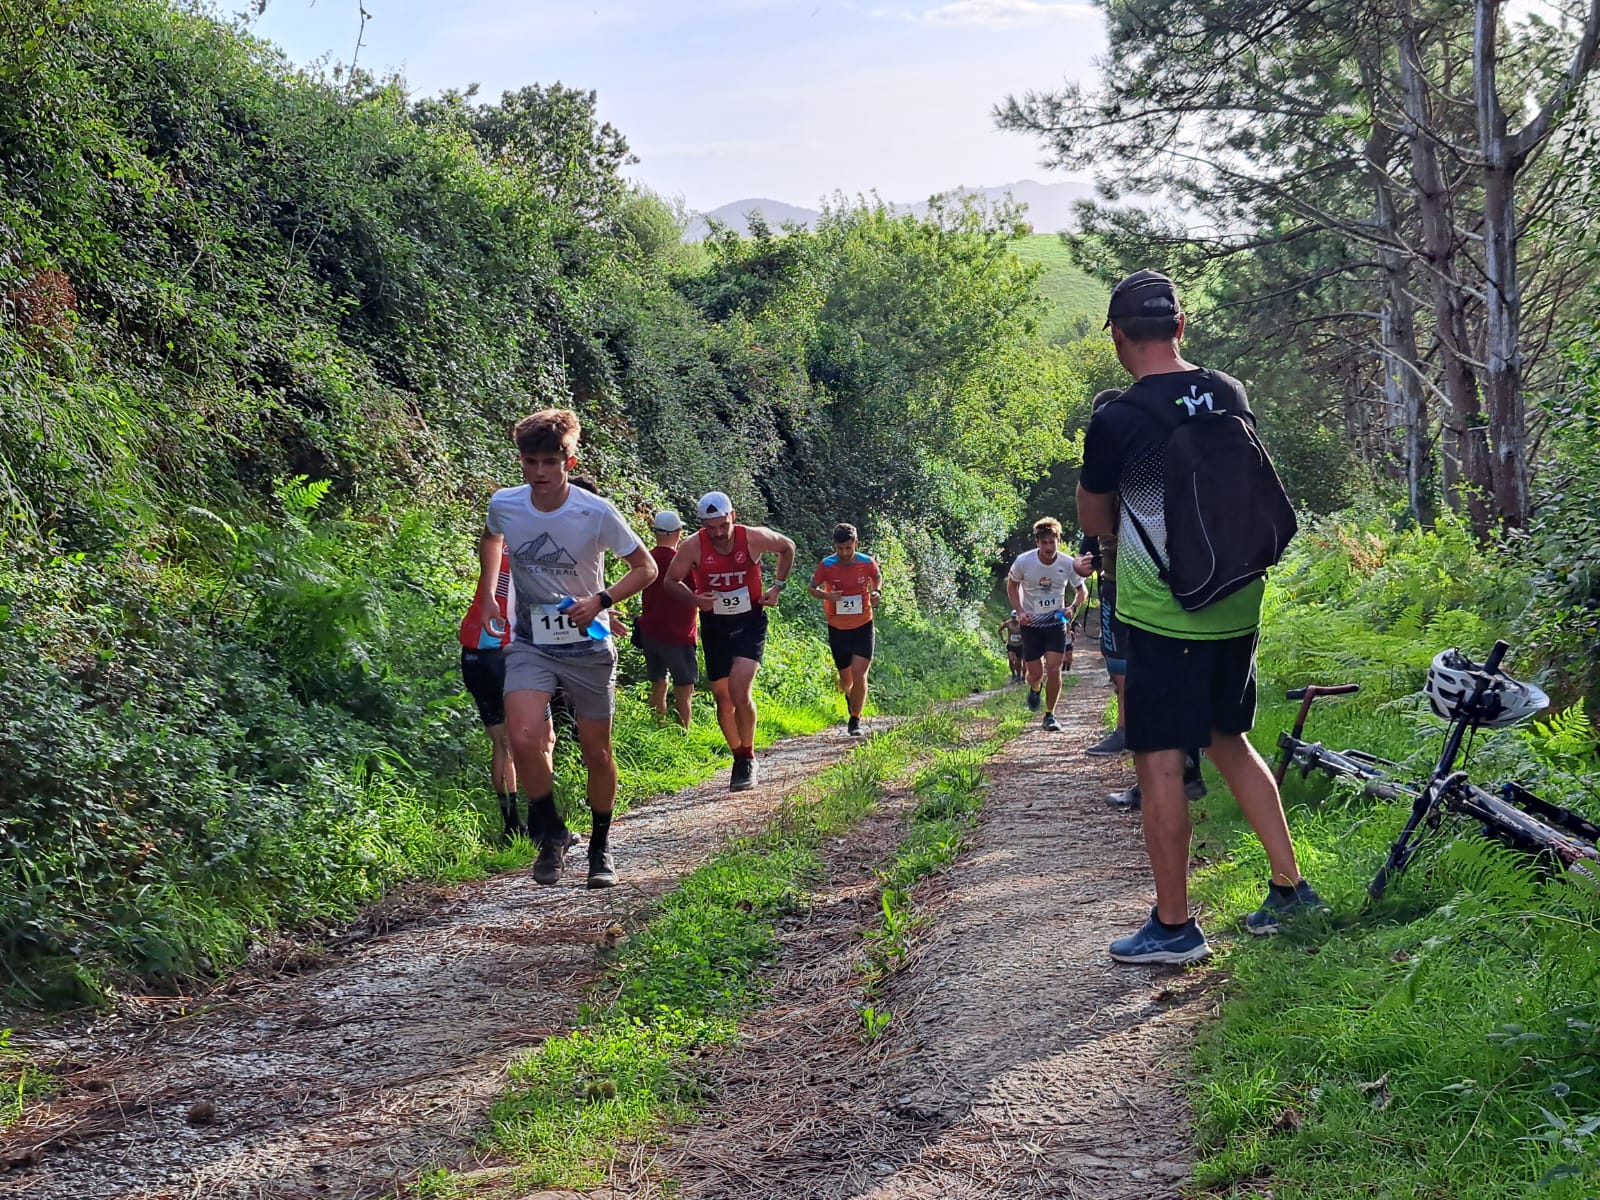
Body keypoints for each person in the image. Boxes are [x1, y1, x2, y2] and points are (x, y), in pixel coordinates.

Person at [1078, 269, 1323, 963]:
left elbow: (1097, 520)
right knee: (1228, 740)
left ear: (1120, 338)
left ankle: (1175, 925)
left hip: (1166, 614)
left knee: (1158, 759)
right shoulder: (1228, 391)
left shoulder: (1118, 418)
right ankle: (1291, 888)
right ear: (1181, 327)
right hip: (1238, 598)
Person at [477, 408, 658, 889]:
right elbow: (491, 539)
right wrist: (487, 596)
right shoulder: (506, 504)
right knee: (521, 738)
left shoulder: (594, 512)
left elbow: (646, 568)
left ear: (569, 463)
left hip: (588, 646)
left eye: (550, 463)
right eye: (530, 461)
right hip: (530, 643)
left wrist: (599, 600)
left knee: (596, 752)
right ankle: (551, 835)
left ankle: (600, 846)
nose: (538, 472)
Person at [664, 491, 796, 791]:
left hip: (750, 622)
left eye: (723, 525)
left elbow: (787, 547)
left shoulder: (753, 538)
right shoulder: (693, 546)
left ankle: (748, 756)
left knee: (739, 689)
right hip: (715, 626)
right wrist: (696, 599)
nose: (719, 533)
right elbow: (670, 582)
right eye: (711, 527)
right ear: (702, 525)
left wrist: (777, 587)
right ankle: (738, 756)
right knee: (722, 697)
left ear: (733, 517)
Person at [1005, 517, 1092, 732]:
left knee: (1054, 670)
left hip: (1055, 622)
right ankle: (1035, 688)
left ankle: (1050, 714)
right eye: (1044, 543)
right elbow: (1012, 586)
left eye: (1052, 542)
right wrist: (1020, 611)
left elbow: (1082, 591)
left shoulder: (1067, 563)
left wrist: (1071, 608)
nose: (1048, 547)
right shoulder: (1024, 562)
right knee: (1035, 673)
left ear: (1058, 541)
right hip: (1031, 624)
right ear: (1037, 543)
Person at [458, 539, 521, 840]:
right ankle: (528, 825)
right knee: (534, 739)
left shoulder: (495, 546)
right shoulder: (533, 552)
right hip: (503, 652)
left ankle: (509, 824)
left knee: (500, 743)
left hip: (472, 653)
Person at [808, 522, 882, 737]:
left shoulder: (866, 562)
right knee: (846, 680)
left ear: (855, 544)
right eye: (840, 549)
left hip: (863, 625)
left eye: (848, 548)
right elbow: (811, 588)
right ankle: (852, 699)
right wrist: (827, 596)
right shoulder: (827, 565)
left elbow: (876, 576)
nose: (844, 553)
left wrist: (876, 591)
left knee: (860, 674)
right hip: (837, 627)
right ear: (835, 546)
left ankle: (855, 719)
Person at [635, 509, 699, 728]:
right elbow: (699, 589)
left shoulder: (646, 559)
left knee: (658, 683)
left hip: (650, 631)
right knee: (684, 688)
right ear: (679, 531)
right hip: (679, 634)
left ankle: (658, 727)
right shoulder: (681, 561)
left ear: (655, 532)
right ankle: (683, 734)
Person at [998, 610, 1025, 684]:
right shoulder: (1008, 623)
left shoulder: (1022, 623)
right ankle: (1014, 675)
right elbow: (1000, 629)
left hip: (1020, 645)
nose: (1014, 619)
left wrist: (1023, 638)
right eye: (1013, 617)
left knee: (1019, 662)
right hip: (1011, 644)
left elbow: (1028, 631)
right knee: (1011, 659)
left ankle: (1019, 676)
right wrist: (1003, 639)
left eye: (1016, 617)